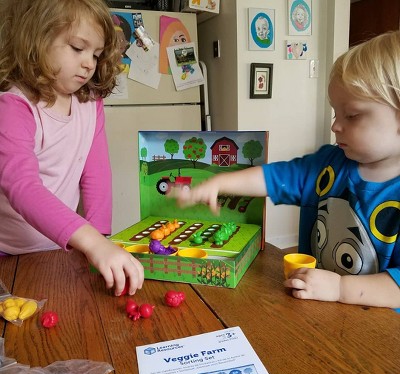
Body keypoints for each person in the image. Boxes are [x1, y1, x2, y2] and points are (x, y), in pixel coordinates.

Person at [171, 30, 400, 310]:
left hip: (375, 332)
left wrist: (340, 287)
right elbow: (273, 177)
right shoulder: (327, 165)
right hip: (313, 307)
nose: (335, 126)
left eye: (351, 115)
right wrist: (218, 184)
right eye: (335, 113)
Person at [0, 0, 144, 296]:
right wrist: (91, 241)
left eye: (96, 54)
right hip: (8, 254)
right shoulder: (14, 106)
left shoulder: (90, 102)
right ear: (36, 39)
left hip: (63, 246)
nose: (89, 63)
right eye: (78, 48)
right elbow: (22, 185)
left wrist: (100, 238)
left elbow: (97, 173)